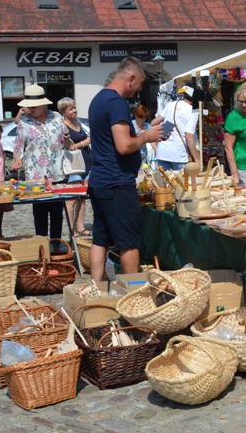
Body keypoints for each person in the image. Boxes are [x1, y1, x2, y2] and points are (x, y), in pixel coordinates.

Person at [87, 56, 166, 280]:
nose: (139, 90)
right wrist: (146, 136)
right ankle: (135, 291)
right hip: (117, 182)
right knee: (129, 242)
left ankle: (95, 287)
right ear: (130, 78)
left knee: (100, 239)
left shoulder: (98, 99)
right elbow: (123, 146)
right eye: (139, 84)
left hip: (100, 180)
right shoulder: (116, 102)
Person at [13, 84, 68, 246]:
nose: (31, 109)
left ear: (44, 104)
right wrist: (17, 160)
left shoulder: (57, 117)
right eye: (29, 106)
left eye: (34, 106)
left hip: (56, 173)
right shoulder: (24, 121)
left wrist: (67, 139)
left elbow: (66, 142)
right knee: (40, 214)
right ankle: (42, 247)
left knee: (57, 214)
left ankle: (56, 246)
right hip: (35, 176)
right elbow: (18, 146)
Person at [58, 97, 91, 237]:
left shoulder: (78, 122)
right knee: (71, 199)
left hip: (85, 162)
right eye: (70, 109)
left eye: (74, 107)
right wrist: (85, 142)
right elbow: (68, 147)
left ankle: (81, 227)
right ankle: (73, 230)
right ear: (64, 111)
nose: (74, 111)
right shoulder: (63, 126)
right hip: (73, 165)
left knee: (82, 197)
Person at [156, 86, 200, 172]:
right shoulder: (193, 112)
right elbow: (189, 135)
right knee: (181, 180)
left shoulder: (170, 105)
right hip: (179, 154)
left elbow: (154, 122)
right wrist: (197, 158)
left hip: (162, 152)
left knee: (164, 180)